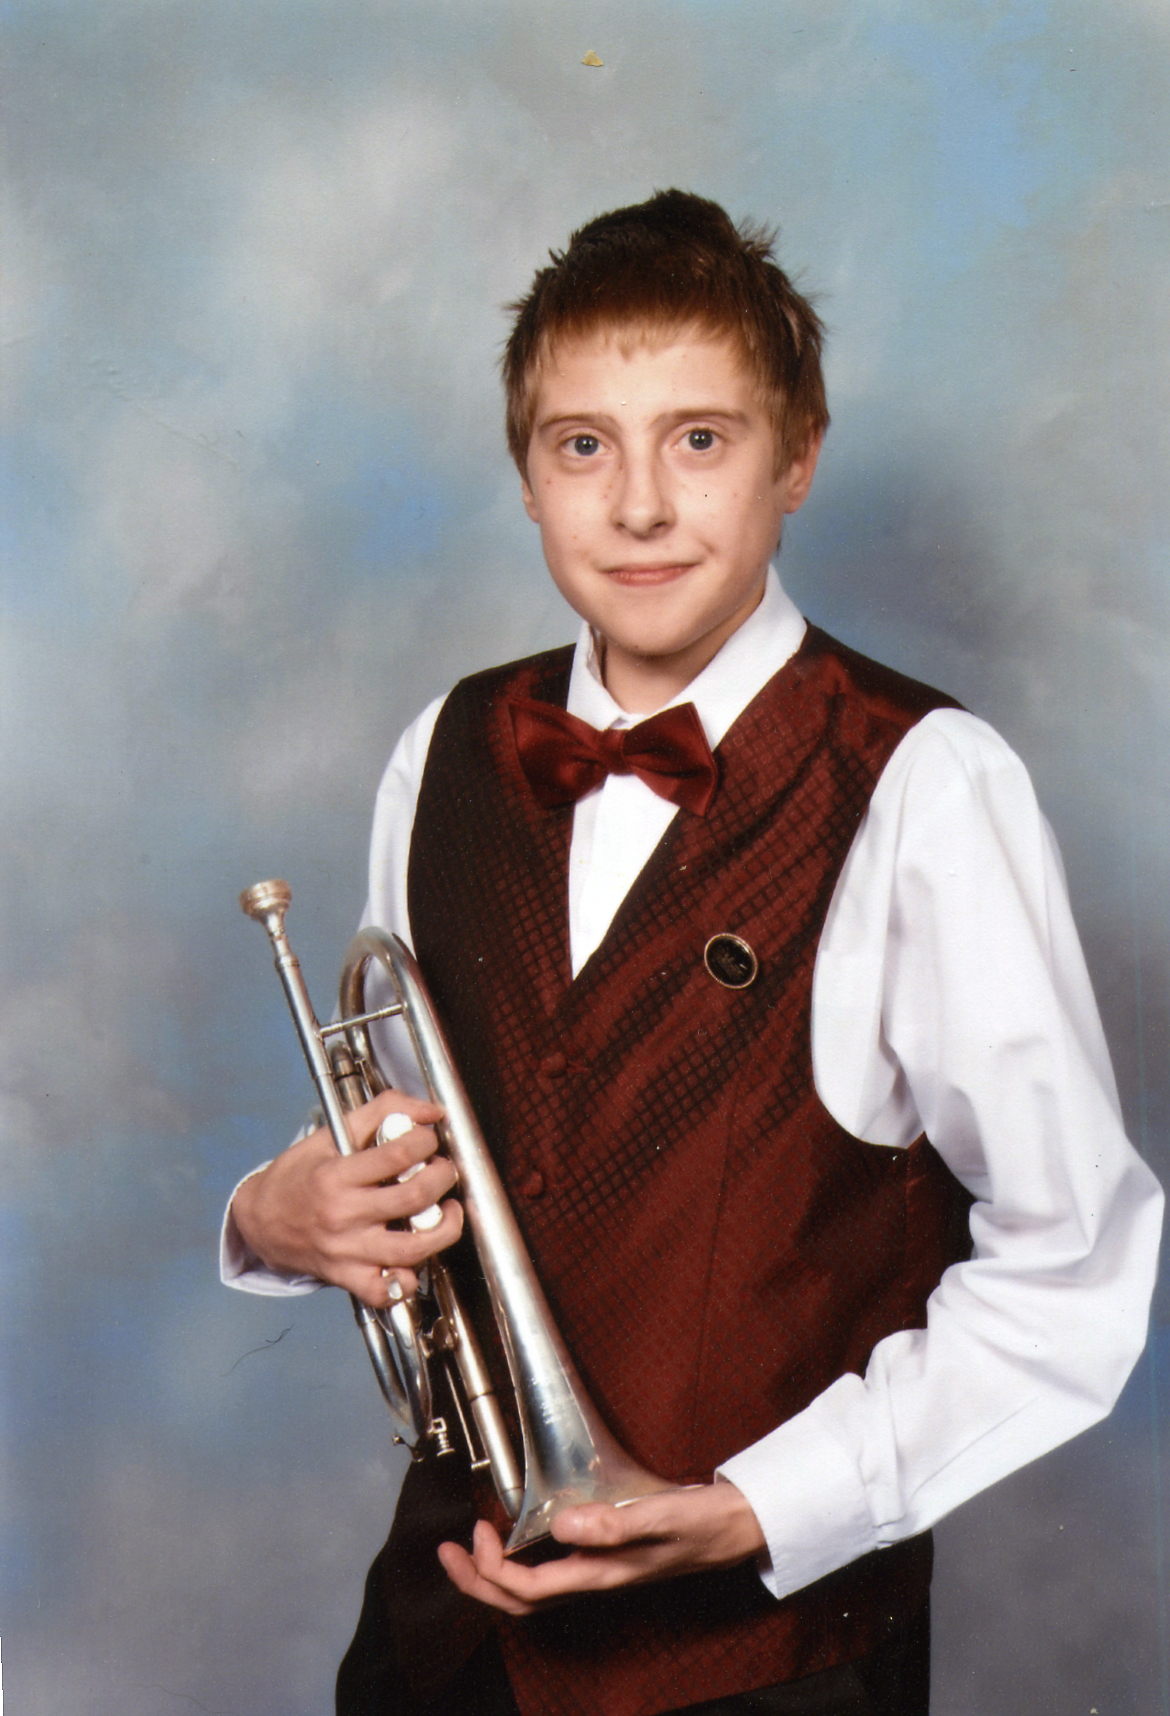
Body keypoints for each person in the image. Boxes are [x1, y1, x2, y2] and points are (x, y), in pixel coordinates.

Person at [222, 190, 1162, 1716]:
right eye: (582, 444)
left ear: (796, 460)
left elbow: (1075, 1265)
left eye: (700, 440)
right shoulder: (446, 749)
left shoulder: (923, 782)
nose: (639, 505)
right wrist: (281, 1214)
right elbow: (428, 1165)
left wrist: (759, 1509)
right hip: (440, 1644)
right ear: (525, 477)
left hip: (767, 1668)